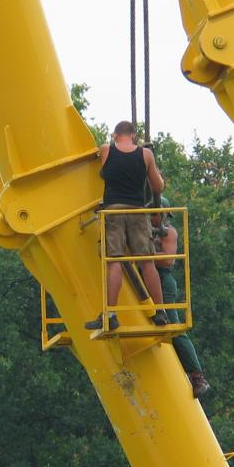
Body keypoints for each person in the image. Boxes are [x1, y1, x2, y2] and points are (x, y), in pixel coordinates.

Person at [85, 120, 166, 332]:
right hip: (138, 212)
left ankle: (110, 313)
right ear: (134, 135)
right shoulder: (145, 155)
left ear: (114, 135)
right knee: (147, 262)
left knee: (115, 262)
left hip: (114, 211)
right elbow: (158, 186)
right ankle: (160, 312)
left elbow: (102, 173)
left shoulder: (106, 150)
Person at [151, 198, 210, 398]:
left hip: (162, 280)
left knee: (174, 328)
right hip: (145, 280)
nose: (154, 218)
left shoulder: (169, 232)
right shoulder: (142, 230)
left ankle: (197, 376)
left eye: (157, 214)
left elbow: (167, 259)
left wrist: (143, 252)